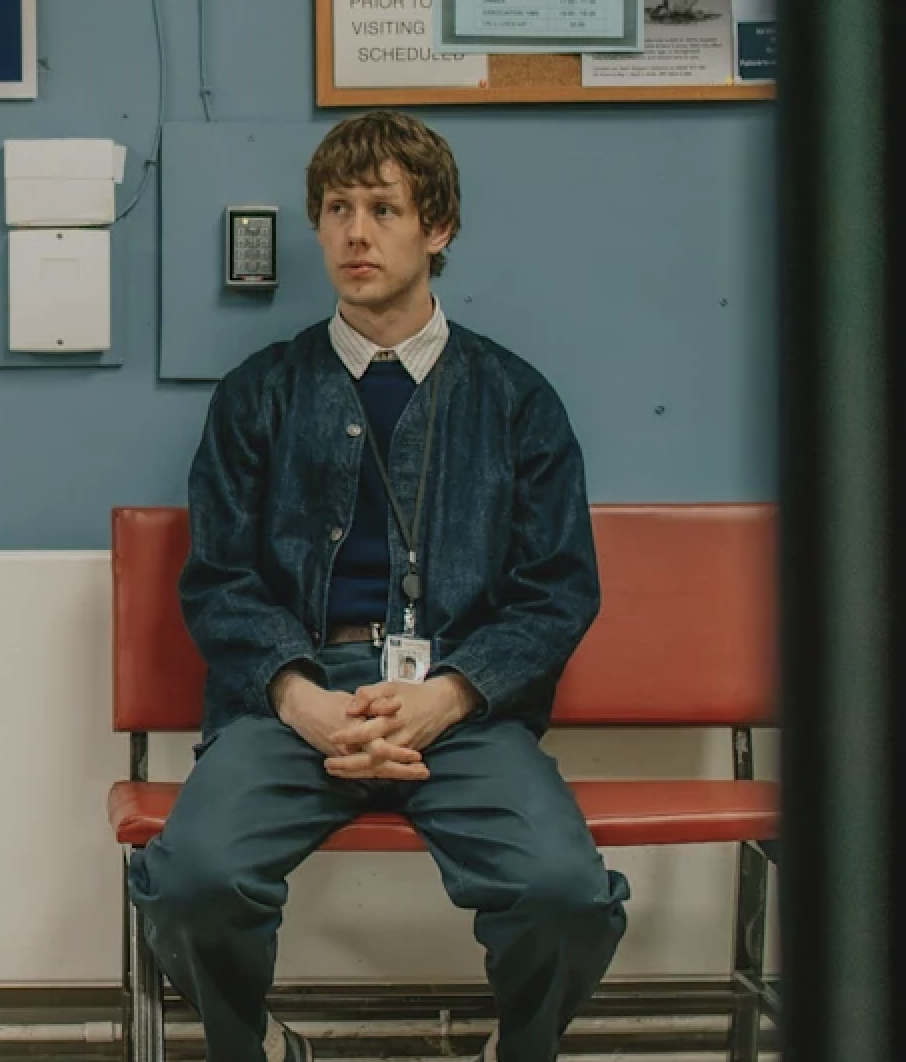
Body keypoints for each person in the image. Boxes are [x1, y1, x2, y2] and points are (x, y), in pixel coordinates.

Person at [126, 110, 630, 1062]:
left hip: (462, 706)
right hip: (293, 704)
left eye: (384, 209)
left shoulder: (517, 400)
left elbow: (558, 590)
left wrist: (449, 696)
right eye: (337, 209)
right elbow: (220, 579)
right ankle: (254, 1048)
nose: (356, 234)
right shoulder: (259, 393)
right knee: (193, 883)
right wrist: (301, 699)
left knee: (564, 894)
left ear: (437, 228)